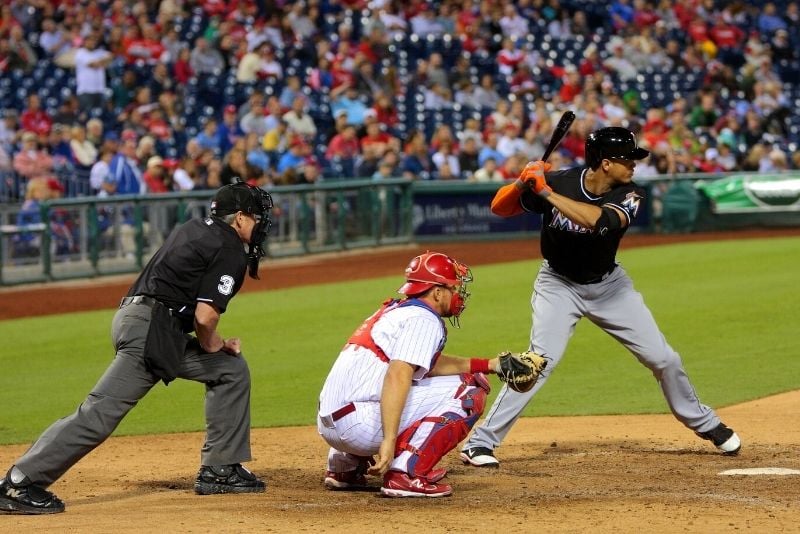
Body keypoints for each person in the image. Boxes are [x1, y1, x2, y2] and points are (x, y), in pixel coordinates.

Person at [460, 127, 741, 468]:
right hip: (558, 285)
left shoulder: (630, 192)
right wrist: (523, 182)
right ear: (606, 163)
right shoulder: (563, 180)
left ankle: (705, 423)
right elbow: (500, 209)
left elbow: (599, 221)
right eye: (628, 160)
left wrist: (545, 192)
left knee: (663, 358)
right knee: (538, 363)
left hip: (611, 288)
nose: (634, 166)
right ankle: (481, 443)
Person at [0, 182, 274, 514]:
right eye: (258, 218)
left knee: (229, 370)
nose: (261, 225)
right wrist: (215, 344)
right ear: (240, 218)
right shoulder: (228, 247)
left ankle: (221, 468)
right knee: (100, 412)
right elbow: (205, 317)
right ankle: (19, 482)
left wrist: (214, 351)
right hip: (151, 330)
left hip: (144, 319)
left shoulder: (195, 228)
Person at [318, 251, 510, 498]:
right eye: (454, 288)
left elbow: (427, 365)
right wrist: (388, 442)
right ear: (437, 292)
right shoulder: (423, 319)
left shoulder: (396, 311)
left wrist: (489, 364)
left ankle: (345, 468)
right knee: (471, 389)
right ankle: (406, 474)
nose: (458, 295)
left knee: (431, 379)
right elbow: (397, 376)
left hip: (331, 424)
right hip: (358, 427)